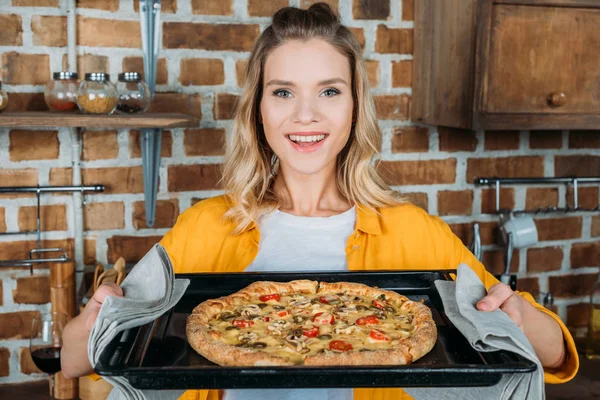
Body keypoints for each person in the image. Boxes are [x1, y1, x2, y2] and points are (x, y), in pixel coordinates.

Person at [62, 3, 578, 400]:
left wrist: (516, 315)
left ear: (355, 107)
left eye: (329, 91)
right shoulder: (205, 229)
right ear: (258, 110)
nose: (305, 115)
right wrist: (94, 321)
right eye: (283, 92)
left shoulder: (414, 232)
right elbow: (74, 362)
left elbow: (551, 352)